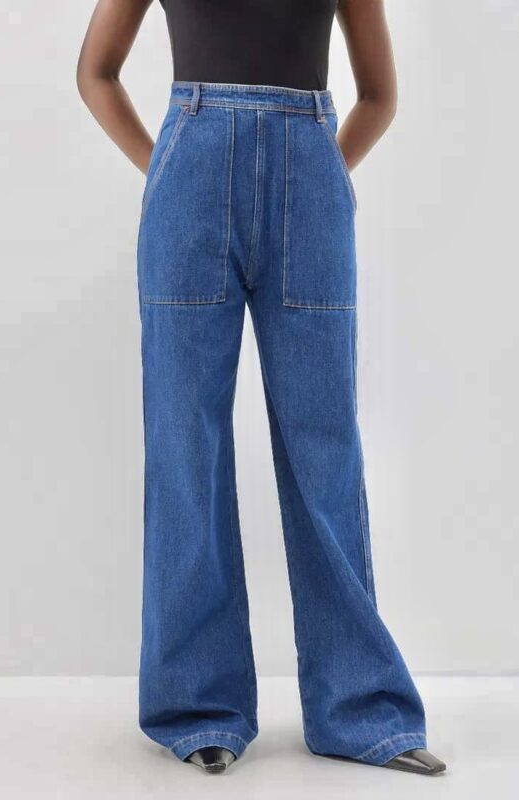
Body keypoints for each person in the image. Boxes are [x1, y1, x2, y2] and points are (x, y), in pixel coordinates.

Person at [77, 0, 446, 777]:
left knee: (326, 449)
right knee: (187, 448)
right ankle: (197, 707)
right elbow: (95, 73)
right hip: (188, 180)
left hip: (309, 184)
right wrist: (164, 165)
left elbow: (380, 94)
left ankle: (360, 710)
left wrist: (322, 172)